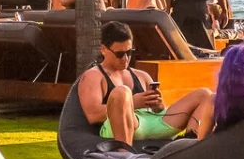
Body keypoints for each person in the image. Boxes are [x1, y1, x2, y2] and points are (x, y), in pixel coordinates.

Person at [73, 21, 211, 144]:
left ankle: (190, 144)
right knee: (122, 92)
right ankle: (123, 151)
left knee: (205, 94)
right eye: (120, 54)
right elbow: (93, 115)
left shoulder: (141, 75)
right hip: (123, 125)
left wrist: (158, 104)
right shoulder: (94, 76)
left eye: (129, 52)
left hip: (152, 121)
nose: (125, 59)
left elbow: (159, 111)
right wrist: (132, 103)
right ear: (103, 49)